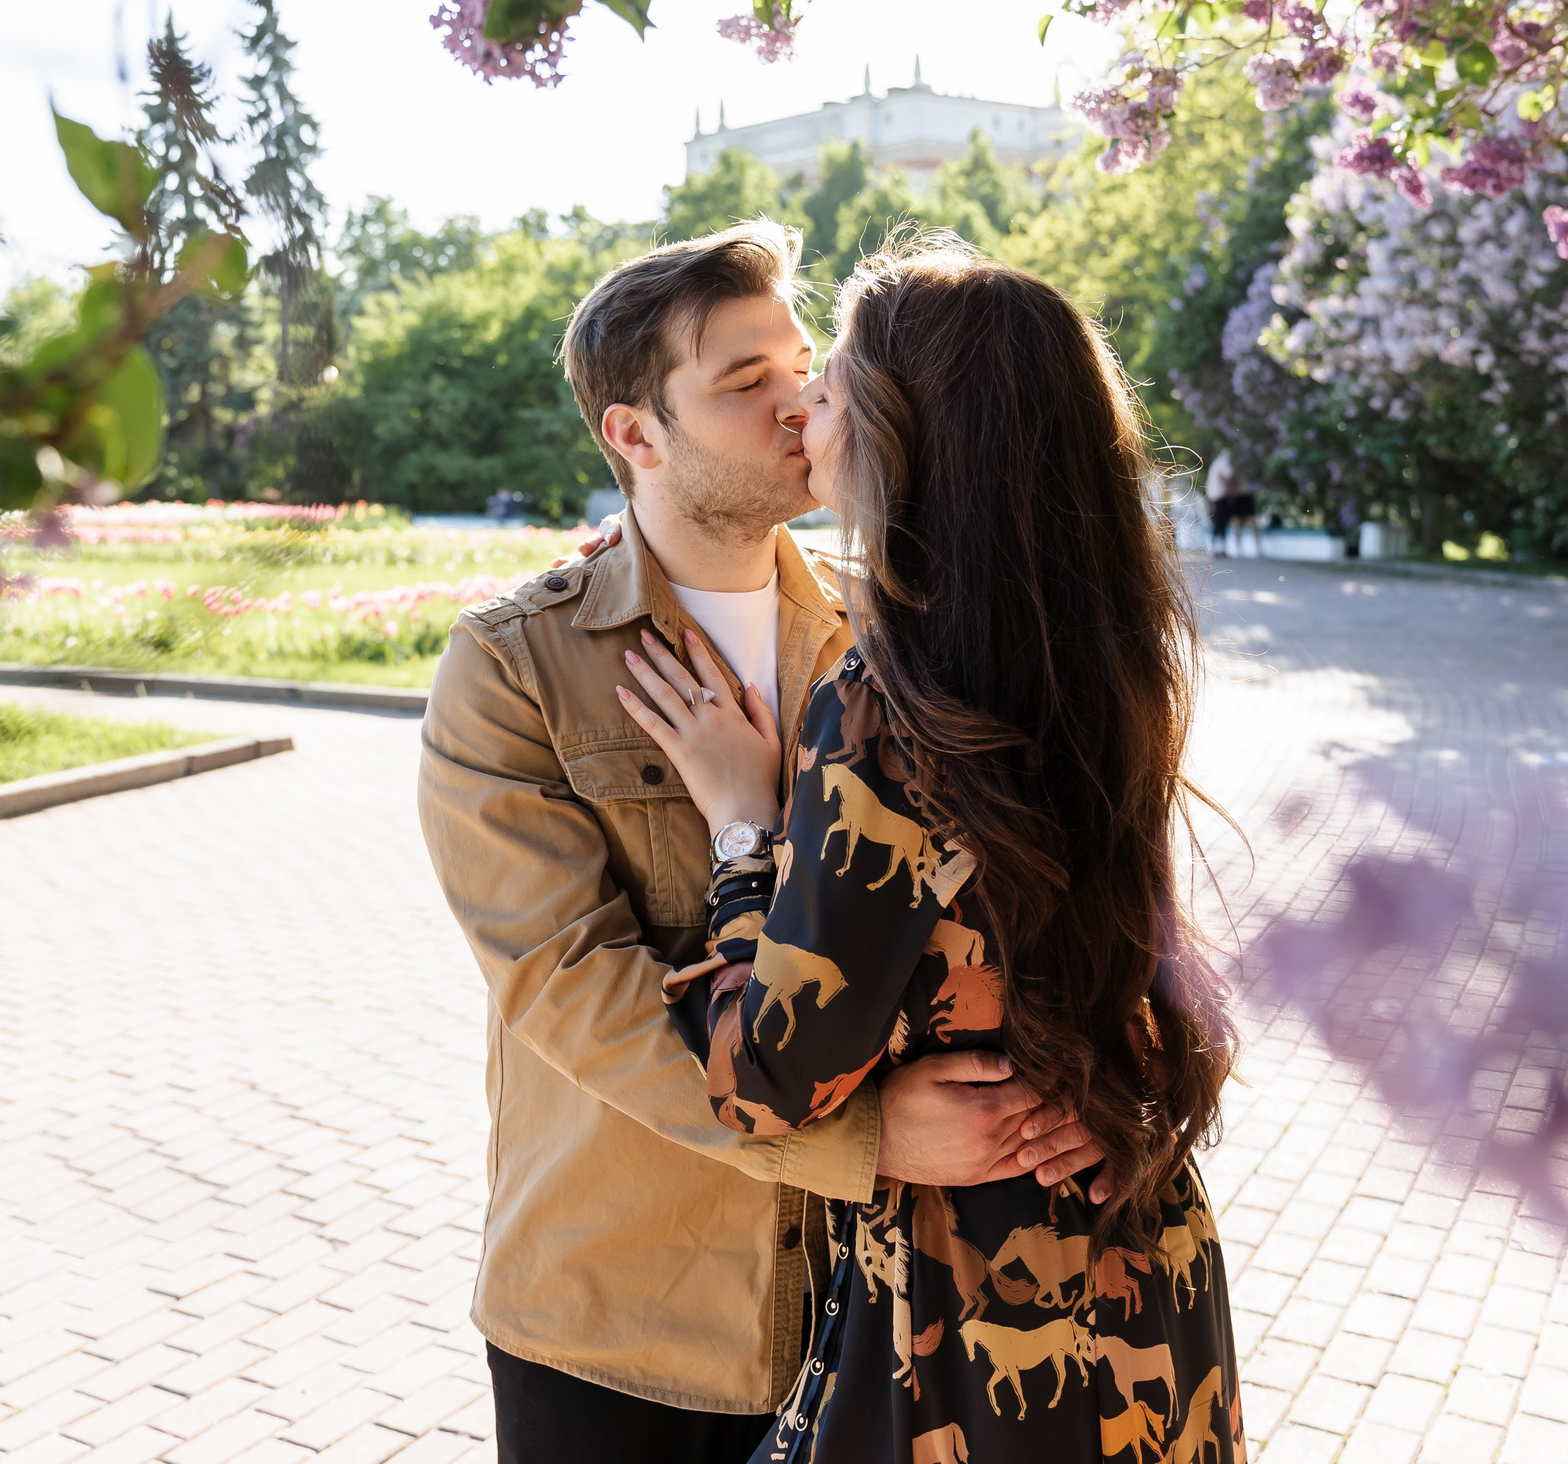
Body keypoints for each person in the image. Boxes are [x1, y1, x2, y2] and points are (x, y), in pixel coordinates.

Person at [418, 222, 1114, 1464]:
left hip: (880, 1310)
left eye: (801, 365)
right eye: (744, 381)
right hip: (627, 1315)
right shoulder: (515, 664)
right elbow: (567, 984)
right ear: (635, 434)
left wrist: (1100, 1085)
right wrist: (862, 1138)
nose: (795, 401)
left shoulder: (894, 630)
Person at [617, 232, 1245, 1463]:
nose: (803, 403)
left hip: (978, 1311)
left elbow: (769, 1078)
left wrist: (743, 828)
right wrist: (1134, 1079)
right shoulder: (1098, 655)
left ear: (907, 435)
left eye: (832, 379)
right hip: (1144, 1266)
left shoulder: (888, 698)